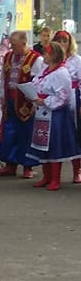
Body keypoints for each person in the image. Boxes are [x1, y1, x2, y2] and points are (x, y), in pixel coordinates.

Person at [26, 41, 79, 190]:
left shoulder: (61, 73)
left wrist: (45, 101)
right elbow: (36, 85)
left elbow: (63, 96)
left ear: (54, 55)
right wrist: (32, 96)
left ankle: (55, 178)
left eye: (46, 53)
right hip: (42, 113)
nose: (43, 56)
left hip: (56, 115)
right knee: (43, 145)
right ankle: (46, 177)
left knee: (55, 145)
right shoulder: (45, 71)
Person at [0, 30, 44, 178]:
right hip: (10, 100)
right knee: (9, 133)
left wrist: (35, 103)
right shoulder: (8, 56)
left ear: (24, 43)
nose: (12, 48)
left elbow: (39, 82)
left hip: (26, 102)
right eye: (11, 44)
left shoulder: (36, 59)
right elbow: (4, 78)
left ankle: (28, 166)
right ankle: (10, 165)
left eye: (14, 45)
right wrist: (2, 97)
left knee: (26, 134)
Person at [54, 30, 81, 183]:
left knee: (75, 135)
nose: (62, 44)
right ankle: (52, 174)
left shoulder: (77, 60)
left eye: (65, 41)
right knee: (57, 135)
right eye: (59, 41)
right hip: (55, 101)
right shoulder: (52, 60)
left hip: (73, 100)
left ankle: (77, 170)